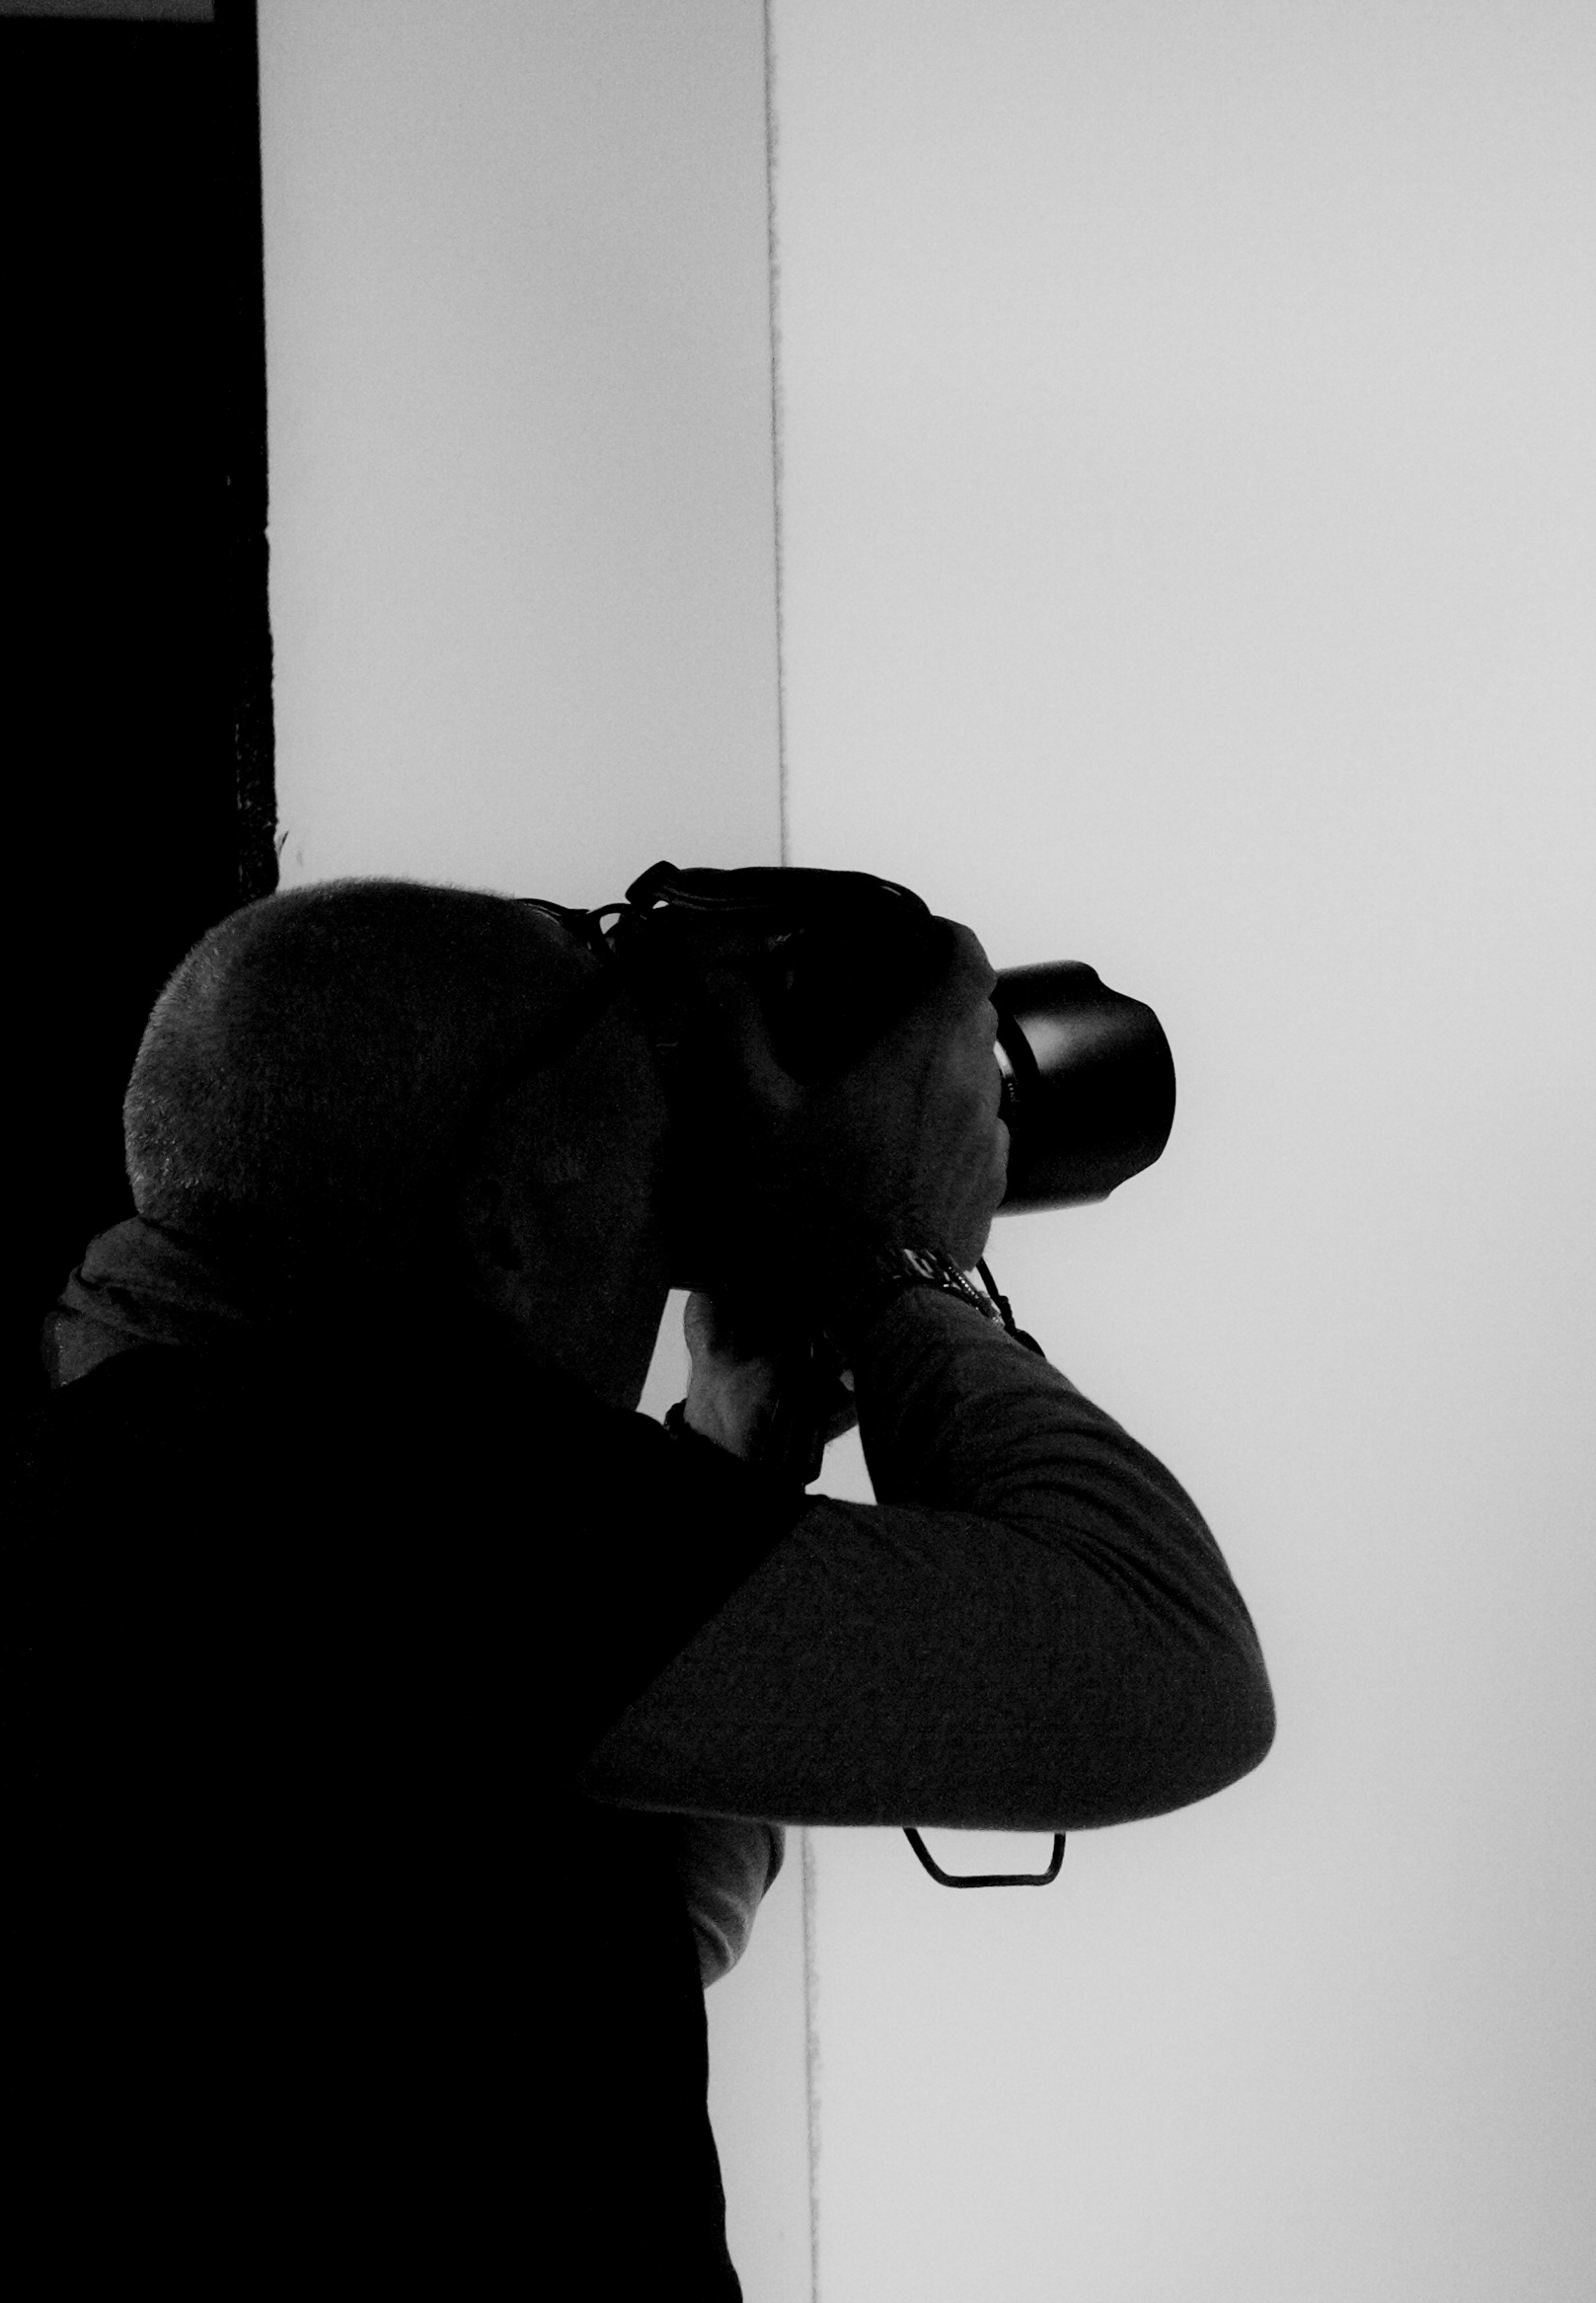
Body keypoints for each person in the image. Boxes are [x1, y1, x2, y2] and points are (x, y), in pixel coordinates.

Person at [24, 878, 1271, 2298]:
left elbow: (596, 1946)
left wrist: (741, 1444)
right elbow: (1168, 1670)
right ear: (508, 1222)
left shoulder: (159, 1460)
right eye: (646, 1166)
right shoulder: (329, 1486)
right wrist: (893, 1257)